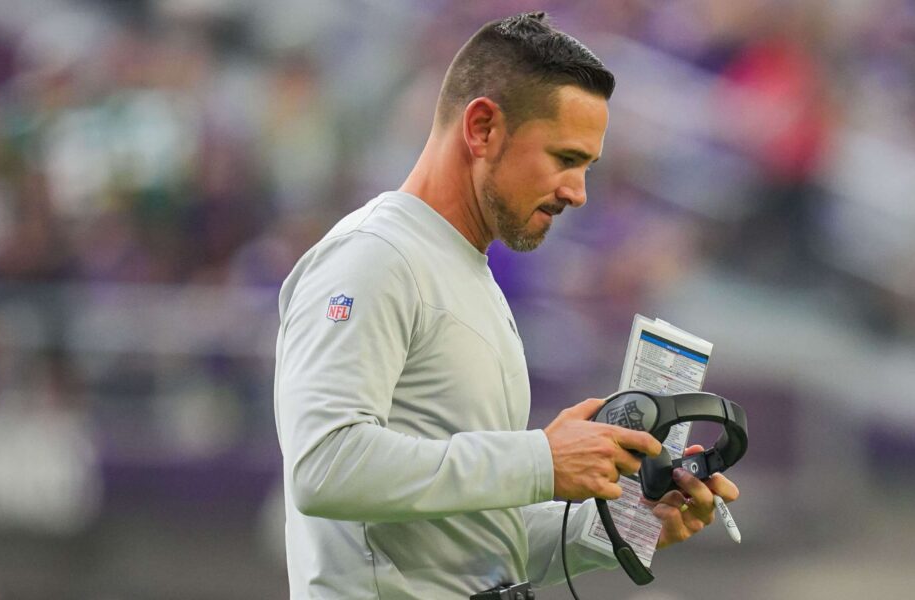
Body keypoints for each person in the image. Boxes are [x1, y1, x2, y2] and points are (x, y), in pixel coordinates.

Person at [273, 11, 739, 598]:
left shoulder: (472, 276)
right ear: (483, 128)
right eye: (565, 159)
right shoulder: (373, 257)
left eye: (587, 168)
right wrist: (541, 459)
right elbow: (324, 467)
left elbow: (471, 541)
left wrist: (628, 521)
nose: (578, 192)